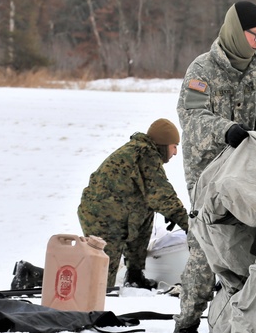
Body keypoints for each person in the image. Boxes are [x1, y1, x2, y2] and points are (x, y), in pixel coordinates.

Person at [174, 0, 256, 333]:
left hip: (247, 166)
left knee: (253, 236)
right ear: (237, 32)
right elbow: (192, 119)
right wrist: (226, 130)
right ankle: (186, 325)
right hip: (208, 168)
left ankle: (244, 319)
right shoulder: (202, 70)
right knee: (207, 241)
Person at [77, 118, 189, 289]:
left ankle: (135, 275)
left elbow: (153, 195)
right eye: (174, 146)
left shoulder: (140, 151)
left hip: (116, 211)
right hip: (104, 217)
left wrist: (169, 212)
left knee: (146, 212)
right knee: (102, 278)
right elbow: (162, 193)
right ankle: (45, 280)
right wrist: (188, 223)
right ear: (164, 144)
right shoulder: (147, 155)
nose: (175, 153)